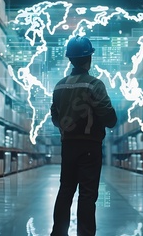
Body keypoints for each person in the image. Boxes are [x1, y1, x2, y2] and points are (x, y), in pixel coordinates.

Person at [50, 35, 117, 236]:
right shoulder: (94, 84)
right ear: (89, 58)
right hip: (90, 147)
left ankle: (58, 233)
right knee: (87, 195)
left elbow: (54, 115)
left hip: (68, 146)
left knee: (66, 190)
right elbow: (110, 118)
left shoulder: (59, 86)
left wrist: (65, 129)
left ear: (70, 59)